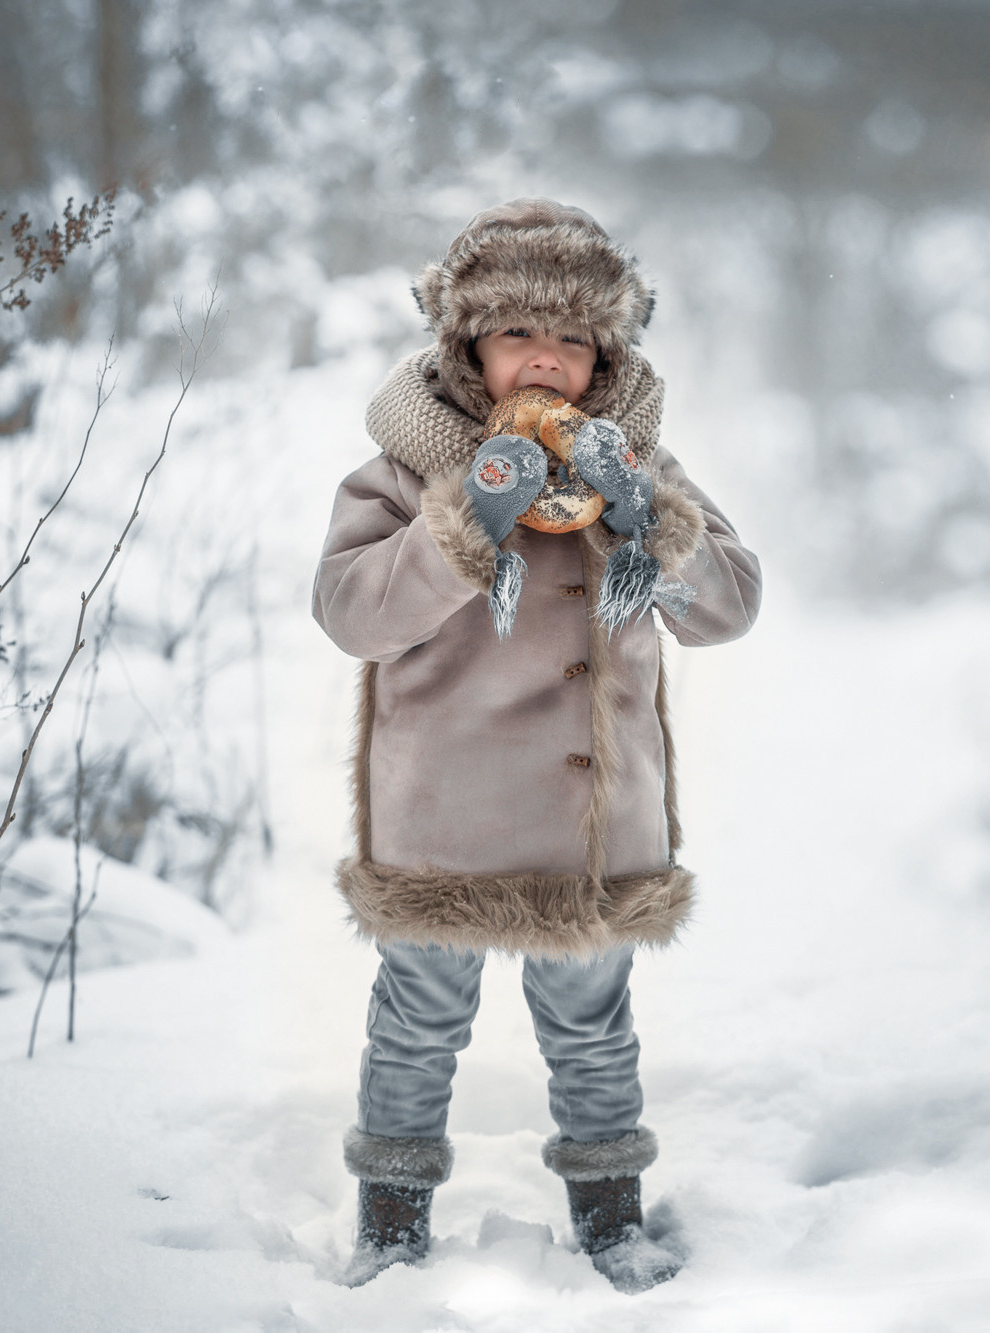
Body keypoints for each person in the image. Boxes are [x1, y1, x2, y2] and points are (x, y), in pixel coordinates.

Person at [310, 198, 761, 1291]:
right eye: (517, 335)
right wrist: (462, 522)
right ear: (466, 347)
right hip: (443, 816)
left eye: (571, 339)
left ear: (606, 354)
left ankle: (613, 1219)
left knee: (593, 1031)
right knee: (418, 1026)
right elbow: (352, 612)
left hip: (587, 819)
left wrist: (650, 518)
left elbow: (729, 606)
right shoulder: (405, 470)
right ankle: (391, 1221)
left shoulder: (639, 465)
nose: (545, 362)